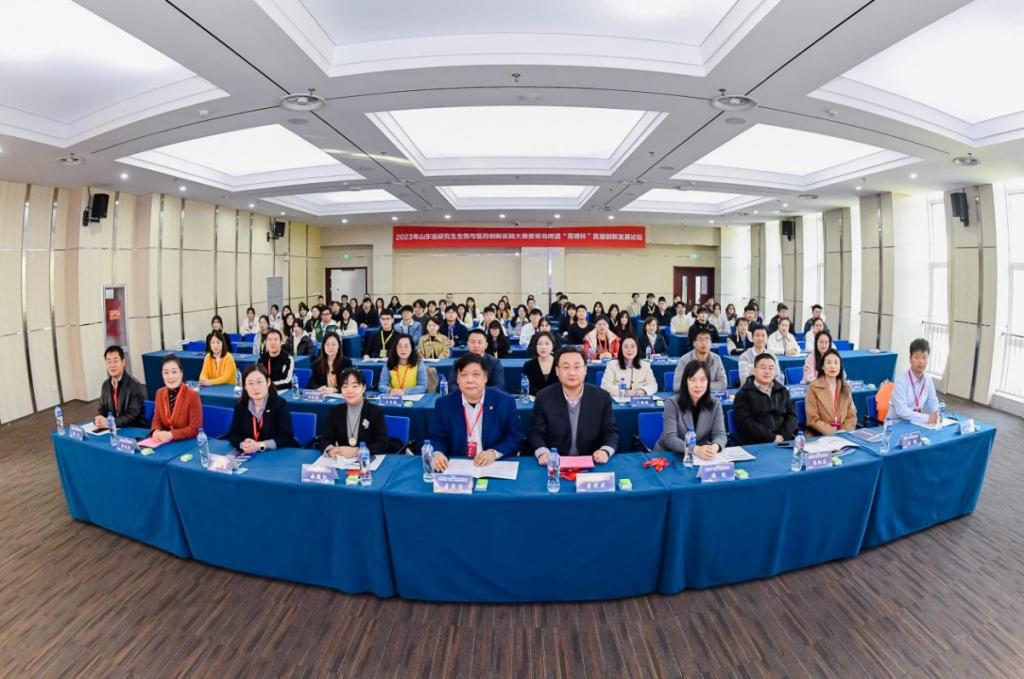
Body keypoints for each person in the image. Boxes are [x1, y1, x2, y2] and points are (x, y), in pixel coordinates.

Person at [428, 353, 522, 470]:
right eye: (464, 375)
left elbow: (515, 437)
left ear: (485, 377)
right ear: (457, 379)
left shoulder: (505, 402)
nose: (470, 380)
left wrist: (494, 453)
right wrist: (437, 452)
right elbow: (436, 437)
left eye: (476, 374)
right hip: (458, 466)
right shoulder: (444, 404)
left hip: (493, 465)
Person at [529, 347, 618, 465]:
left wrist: (605, 451)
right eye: (566, 367)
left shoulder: (601, 397)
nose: (572, 373)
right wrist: (543, 452)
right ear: (557, 371)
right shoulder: (544, 397)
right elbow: (536, 432)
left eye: (577, 367)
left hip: (591, 461)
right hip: (555, 463)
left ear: (585, 370)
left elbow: (610, 432)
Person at [655, 361, 727, 458]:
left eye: (703, 380)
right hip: (669, 454)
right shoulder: (672, 403)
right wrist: (695, 449)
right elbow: (669, 438)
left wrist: (714, 447)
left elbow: (720, 434)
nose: (698, 385)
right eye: (693, 380)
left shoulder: (715, 404)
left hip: (698, 456)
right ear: (685, 382)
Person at [227, 365, 297, 452]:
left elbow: (286, 438)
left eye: (259, 382)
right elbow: (233, 433)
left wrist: (261, 445)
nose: (255, 388)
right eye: (250, 383)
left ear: (268, 382)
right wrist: (242, 444)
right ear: (244, 386)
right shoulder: (241, 405)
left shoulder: (280, 404)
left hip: (276, 455)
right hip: (250, 455)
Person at [732, 353, 798, 444]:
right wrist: (772, 437)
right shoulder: (743, 394)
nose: (767, 371)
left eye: (771, 368)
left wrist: (783, 436)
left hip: (784, 440)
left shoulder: (782, 391)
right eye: (763, 368)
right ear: (754, 370)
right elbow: (745, 422)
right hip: (757, 443)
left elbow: (792, 416)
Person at [321, 368, 389, 457]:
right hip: (341, 461)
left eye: (355, 386)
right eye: (345, 386)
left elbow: (382, 445)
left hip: (366, 461)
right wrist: (330, 449)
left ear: (363, 388)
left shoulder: (375, 412)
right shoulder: (335, 411)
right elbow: (325, 439)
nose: (349, 391)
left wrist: (358, 451)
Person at [149, 355, 202, 442]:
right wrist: (155, 431)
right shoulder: (159, 393)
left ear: (181, 373)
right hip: (165, 442)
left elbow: (195, 428)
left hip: (186, 442)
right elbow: (157, 419)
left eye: (174, 372)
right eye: (166, 373)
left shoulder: (192, 395)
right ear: (162, 374)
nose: (170, 377)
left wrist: (171, 435)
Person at [805, 349, 857, 435]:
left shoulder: (845, 387)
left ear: (840, 367)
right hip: (819, 435)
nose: (832, 366)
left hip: (843, 434)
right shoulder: (813, 387)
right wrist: (833, 432)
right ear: (822, 366)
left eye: (836, 363)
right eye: (829, 363)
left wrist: (844, 430)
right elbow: (812, 419)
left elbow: (851, 415)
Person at [890, 338, 941, 424]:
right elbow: (901, 411)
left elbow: (932, 402)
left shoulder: (928, 380)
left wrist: (936, 414)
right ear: (910, 359)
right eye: (917, 357)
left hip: (916, 423)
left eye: (924, 357)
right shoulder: (901, 381)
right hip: (897, 424)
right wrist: (927, 418)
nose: (920, 361)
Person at [95, 344, 147, 429]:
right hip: (114, 428)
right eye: (108, 361)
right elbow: (101, 408)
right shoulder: (106, 385)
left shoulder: (135, 386)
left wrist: (110, 423)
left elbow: (133, 415)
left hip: (133, 429)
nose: (112, 365)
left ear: (123, 362)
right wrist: (99, 418)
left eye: (115, 361)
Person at [673, 327, 728, 392]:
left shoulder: (716, 358)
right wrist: (702, 387)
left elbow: (723, 384)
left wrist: (700, 386)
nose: (704, 343)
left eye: (707, 339)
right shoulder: (684, 360)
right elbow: (677, 386)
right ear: (694, 343)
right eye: (700, 339)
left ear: (711, 343)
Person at [523, 331, 559, 395]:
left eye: (547, 343)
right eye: (539, 344)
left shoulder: (559, 364)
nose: (543, 347)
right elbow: (528, 388)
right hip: (535, 399)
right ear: (535, 346)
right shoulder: (528, 365)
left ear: (553, 345)